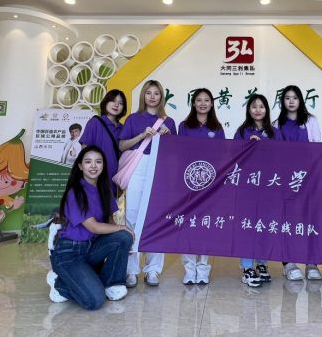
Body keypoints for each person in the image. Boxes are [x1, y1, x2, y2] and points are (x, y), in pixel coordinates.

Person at [48, 146, 134, 310]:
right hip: (70, 253)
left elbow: (110, 222)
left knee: (123, 237)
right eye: (88, 162)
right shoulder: (75, 192)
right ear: (80, 166)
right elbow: (94, 227)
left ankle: (111, 284)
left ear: (103, 165)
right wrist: (122, 227)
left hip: (92, 248)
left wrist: (124, 241)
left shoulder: (104, 189)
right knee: (95, 300)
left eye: (98, 162)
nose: (93, 166)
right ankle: (60, 283)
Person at [119, 80, 177, 288]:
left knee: (157, 218)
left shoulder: (169, 122)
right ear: (143, 95)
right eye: (148, 93)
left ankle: (153, 270)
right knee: (132, 217)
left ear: (162, 97)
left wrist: (169, 137)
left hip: (160, 170)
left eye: (156, 93)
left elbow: (175, 154)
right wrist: (143, 135)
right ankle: (131, 270)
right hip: (138, 168)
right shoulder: (133, 119)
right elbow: (122, 145)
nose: (152, 97)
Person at [274, 85, 322, 282]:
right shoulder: (277, 124)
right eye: (287, 98)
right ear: (283, 101)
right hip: (285, 179)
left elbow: (318, 148)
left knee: (309, 218)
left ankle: (312, 262)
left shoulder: (310, 120)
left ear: (300, 100)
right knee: (287, 219)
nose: (291, 101)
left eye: (295, 97)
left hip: (308, 178)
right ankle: (289, 263)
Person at [177, 88, 225, 285]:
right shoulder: (184, 126)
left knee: (206, 225)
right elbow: (179, 153)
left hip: (210, 184)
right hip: (188, 183)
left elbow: (223, 156)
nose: (203, 103)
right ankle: (189, 269)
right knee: (187, 225)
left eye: (206, 100)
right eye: (199, 100)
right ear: (193, 103)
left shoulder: (217, 128)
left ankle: (203, 269)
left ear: (212, 104)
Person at [234, 93, 282, 287]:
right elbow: (233, 156)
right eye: (254, 106)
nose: (258, 110)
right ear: (249, 109)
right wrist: (248, 146)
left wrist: (265, 146)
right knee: (247, 225)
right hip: (247, 186)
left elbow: (283, 156)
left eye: (261, 106)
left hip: (269, 186)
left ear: (267, 110)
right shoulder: (242, 131)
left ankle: (262, 263)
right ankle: (247, 267)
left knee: (264, 224)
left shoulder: (274, 132)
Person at [80, 89, 127, 196]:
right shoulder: (95, 122)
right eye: (113, 101)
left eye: (120, 103)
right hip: (96, 178)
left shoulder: (123, 128)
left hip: (115, 181)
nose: (116, 105)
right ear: (106, 102)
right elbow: (84, 151)